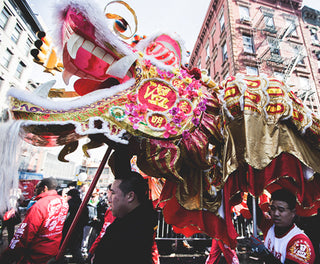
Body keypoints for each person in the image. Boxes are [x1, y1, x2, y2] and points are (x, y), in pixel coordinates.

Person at [92, 171, 158, 264]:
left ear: (130, 196)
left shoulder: (131, 231)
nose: (109, 199)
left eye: (113, 193)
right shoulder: (138, 222)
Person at [0, 177, 69, 264]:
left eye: (37, 187)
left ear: (44, 188)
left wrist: (9, 254)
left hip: (37, 252)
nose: (35, 190)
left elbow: (26, 233)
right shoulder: (63, 201)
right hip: (53, 249)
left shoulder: (40, 205)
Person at [249, 189, 315, 264]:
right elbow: (252, 205)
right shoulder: (269, 226)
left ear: (293, 213)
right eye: (273, 209)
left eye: (281, 210)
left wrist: (264, 253)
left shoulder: (300, 242)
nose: (276, 213)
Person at [61, 188, 88, 264]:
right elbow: (86, 219)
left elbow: (65, 218)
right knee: (75, 247)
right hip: (79, 230)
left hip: (67, 230)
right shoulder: (83, 205)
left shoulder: (69, 205)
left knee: (66, 247)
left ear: (71, 196)